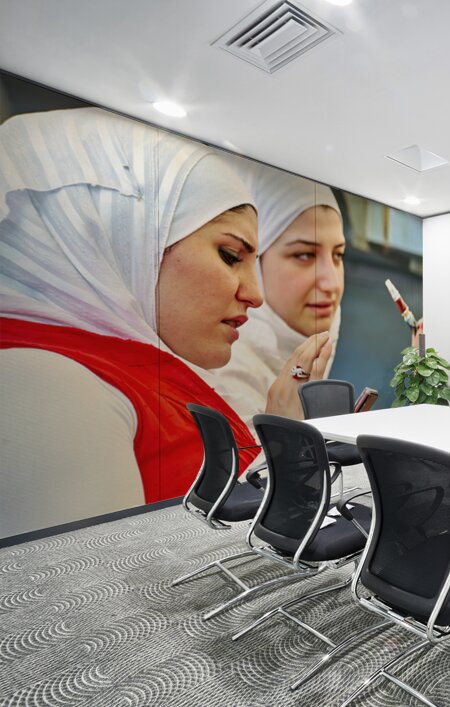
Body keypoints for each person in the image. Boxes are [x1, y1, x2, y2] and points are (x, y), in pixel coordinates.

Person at [0, 108, 268, 537]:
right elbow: (89, 593)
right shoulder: (47, 381)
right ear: (124, 236)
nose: (255, 293)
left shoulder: (120, 369)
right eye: (231, 256)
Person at [209, 161, 345, 426]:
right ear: (254, 263)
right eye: (304, 255)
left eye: (338, 255)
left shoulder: (302, 364)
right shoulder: (224, 385)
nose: (331, 283)